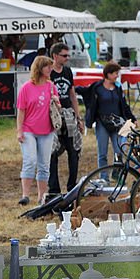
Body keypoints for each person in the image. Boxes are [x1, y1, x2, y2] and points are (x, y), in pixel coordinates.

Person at [16, 56, 61, 206]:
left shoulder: (51, 86)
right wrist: (19, 130)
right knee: (30, 160)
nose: (50, 69)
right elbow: (21, 111)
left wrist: (55, 101)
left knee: (44, 164)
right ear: (39, 68)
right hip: (29, 129)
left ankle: (42, 196)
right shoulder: (26, 88)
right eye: (47, 66)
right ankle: (25, 194)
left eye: (50, 66)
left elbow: (58, 108)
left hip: (47, 130)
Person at [84, 61, 135, 181]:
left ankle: (117, 175)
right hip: (102, 123)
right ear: (108, 74)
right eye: (116, 73)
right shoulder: (97, 88)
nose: (117, 75)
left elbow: (124, 105)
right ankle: (104, 178)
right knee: (102, 153)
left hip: (118, 123)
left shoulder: (118, 88)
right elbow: (86, 95)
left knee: (119, 151)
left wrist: (132, 118)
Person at [47, 42, 84, 197]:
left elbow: (72, 94)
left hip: (68, 113)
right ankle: (54, 188)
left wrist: (78, 116)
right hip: (53, 114)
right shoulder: (48, 73)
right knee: (52, 152)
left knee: (73, 149)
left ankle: (72, 186)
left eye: (68, 55)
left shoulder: (68, 71)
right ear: (55, 56)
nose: (67, 58)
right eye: (64, 55)